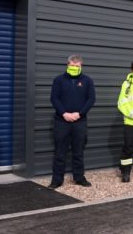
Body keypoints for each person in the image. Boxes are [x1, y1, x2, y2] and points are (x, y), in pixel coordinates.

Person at [48, 54, 96, 189]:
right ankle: (57, 180)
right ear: (67, 65)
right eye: (72, 65)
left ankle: (79, 177)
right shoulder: (59, 80)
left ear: (81, 66)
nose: (74, 67)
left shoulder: (87, 80)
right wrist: (64, 113)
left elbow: (91, 99)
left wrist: (79, 114)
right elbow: (54, 98)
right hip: (61, 121)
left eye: (77, 66)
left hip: (79, 122)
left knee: (78, 151)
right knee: (59, 152)